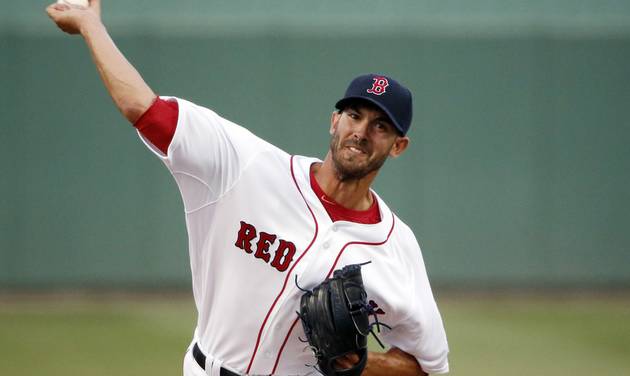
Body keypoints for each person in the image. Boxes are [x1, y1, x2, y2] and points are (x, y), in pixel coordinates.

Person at [46, 1, 449, 375]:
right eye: (354, 115)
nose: (361, 132)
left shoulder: (398, 247)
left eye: (380, 126)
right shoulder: (247, 165)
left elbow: (426, 365)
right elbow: (144, 108)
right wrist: (90, 27)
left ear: (398, 146)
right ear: (334, 121)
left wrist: (361, 364)